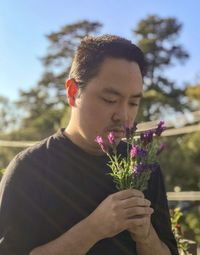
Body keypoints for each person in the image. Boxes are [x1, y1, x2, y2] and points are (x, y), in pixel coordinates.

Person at [0, 35, 178, 255]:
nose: (123, 115)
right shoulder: (29, 169)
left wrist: (146, 235)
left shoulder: (143, 167)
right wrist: (94, 228)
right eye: (110, 100)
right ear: (73, 92)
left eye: (133, 102)